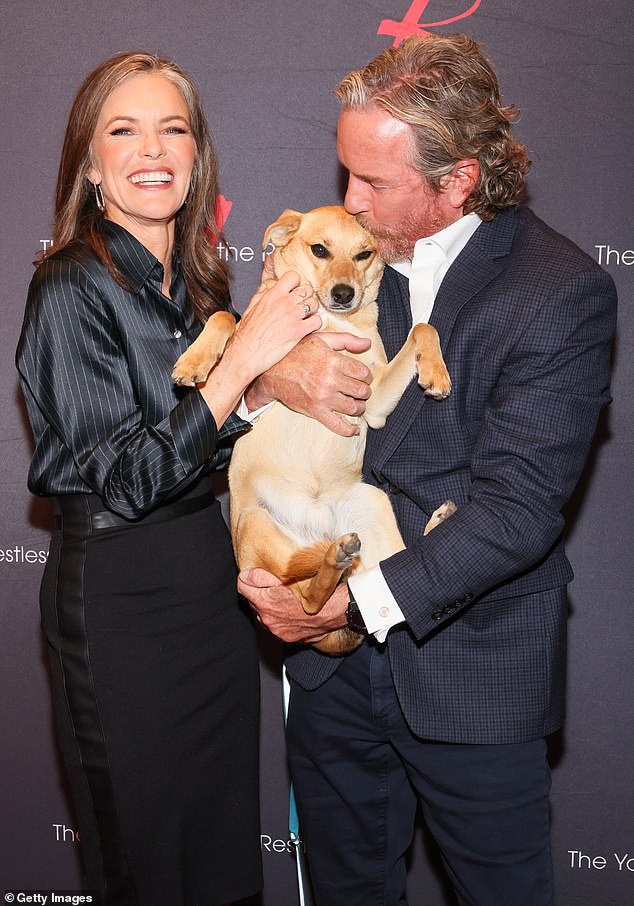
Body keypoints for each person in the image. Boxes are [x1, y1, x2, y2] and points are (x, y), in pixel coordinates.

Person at [237, 33, 618, 906]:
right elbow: (245, 421)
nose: (349, 202)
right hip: (331, 677)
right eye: (344, 174)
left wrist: (360, 599)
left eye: (375, 183)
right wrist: (267, 379)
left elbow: (517, 512)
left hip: (472, 672)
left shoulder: (558, 291)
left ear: (458, 180)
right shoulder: (331, 261)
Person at [15, 51, 330, 906]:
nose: (151, 148)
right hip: (121, 608)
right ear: (90, 162)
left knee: (220, 867)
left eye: (173, 128)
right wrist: (244, 368)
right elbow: (125, 479)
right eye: (123, 130)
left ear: (196, 158)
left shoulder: (192, 289)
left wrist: (263, 391)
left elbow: (206, 450)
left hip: (206, 598)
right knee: (150, 872)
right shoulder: (70, 286)